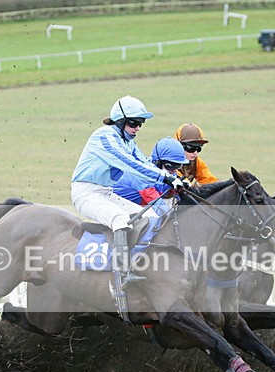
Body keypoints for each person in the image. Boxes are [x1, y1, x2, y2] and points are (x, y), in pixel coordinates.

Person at [71, 95, 182, 288]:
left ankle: (143, 264)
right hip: (85, 193)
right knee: (120, 219)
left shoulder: (128, 141)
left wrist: (173, 179)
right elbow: (130, 165)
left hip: (106, 192)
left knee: (152, 215)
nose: (138, 128)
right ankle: (124, 273)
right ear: (120, 120)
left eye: (141, 123)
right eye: (134, 123)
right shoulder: (104, 137)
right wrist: (165, 177)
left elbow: (143, 162)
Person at [113, 136, 190, 214]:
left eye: (178, 165)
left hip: (138, 204)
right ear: (158, 162)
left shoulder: (168, 171)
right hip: (116, 204)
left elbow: (169, 192)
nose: (174, 170)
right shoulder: (142, 174)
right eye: (171, 165)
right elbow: (156, 203)